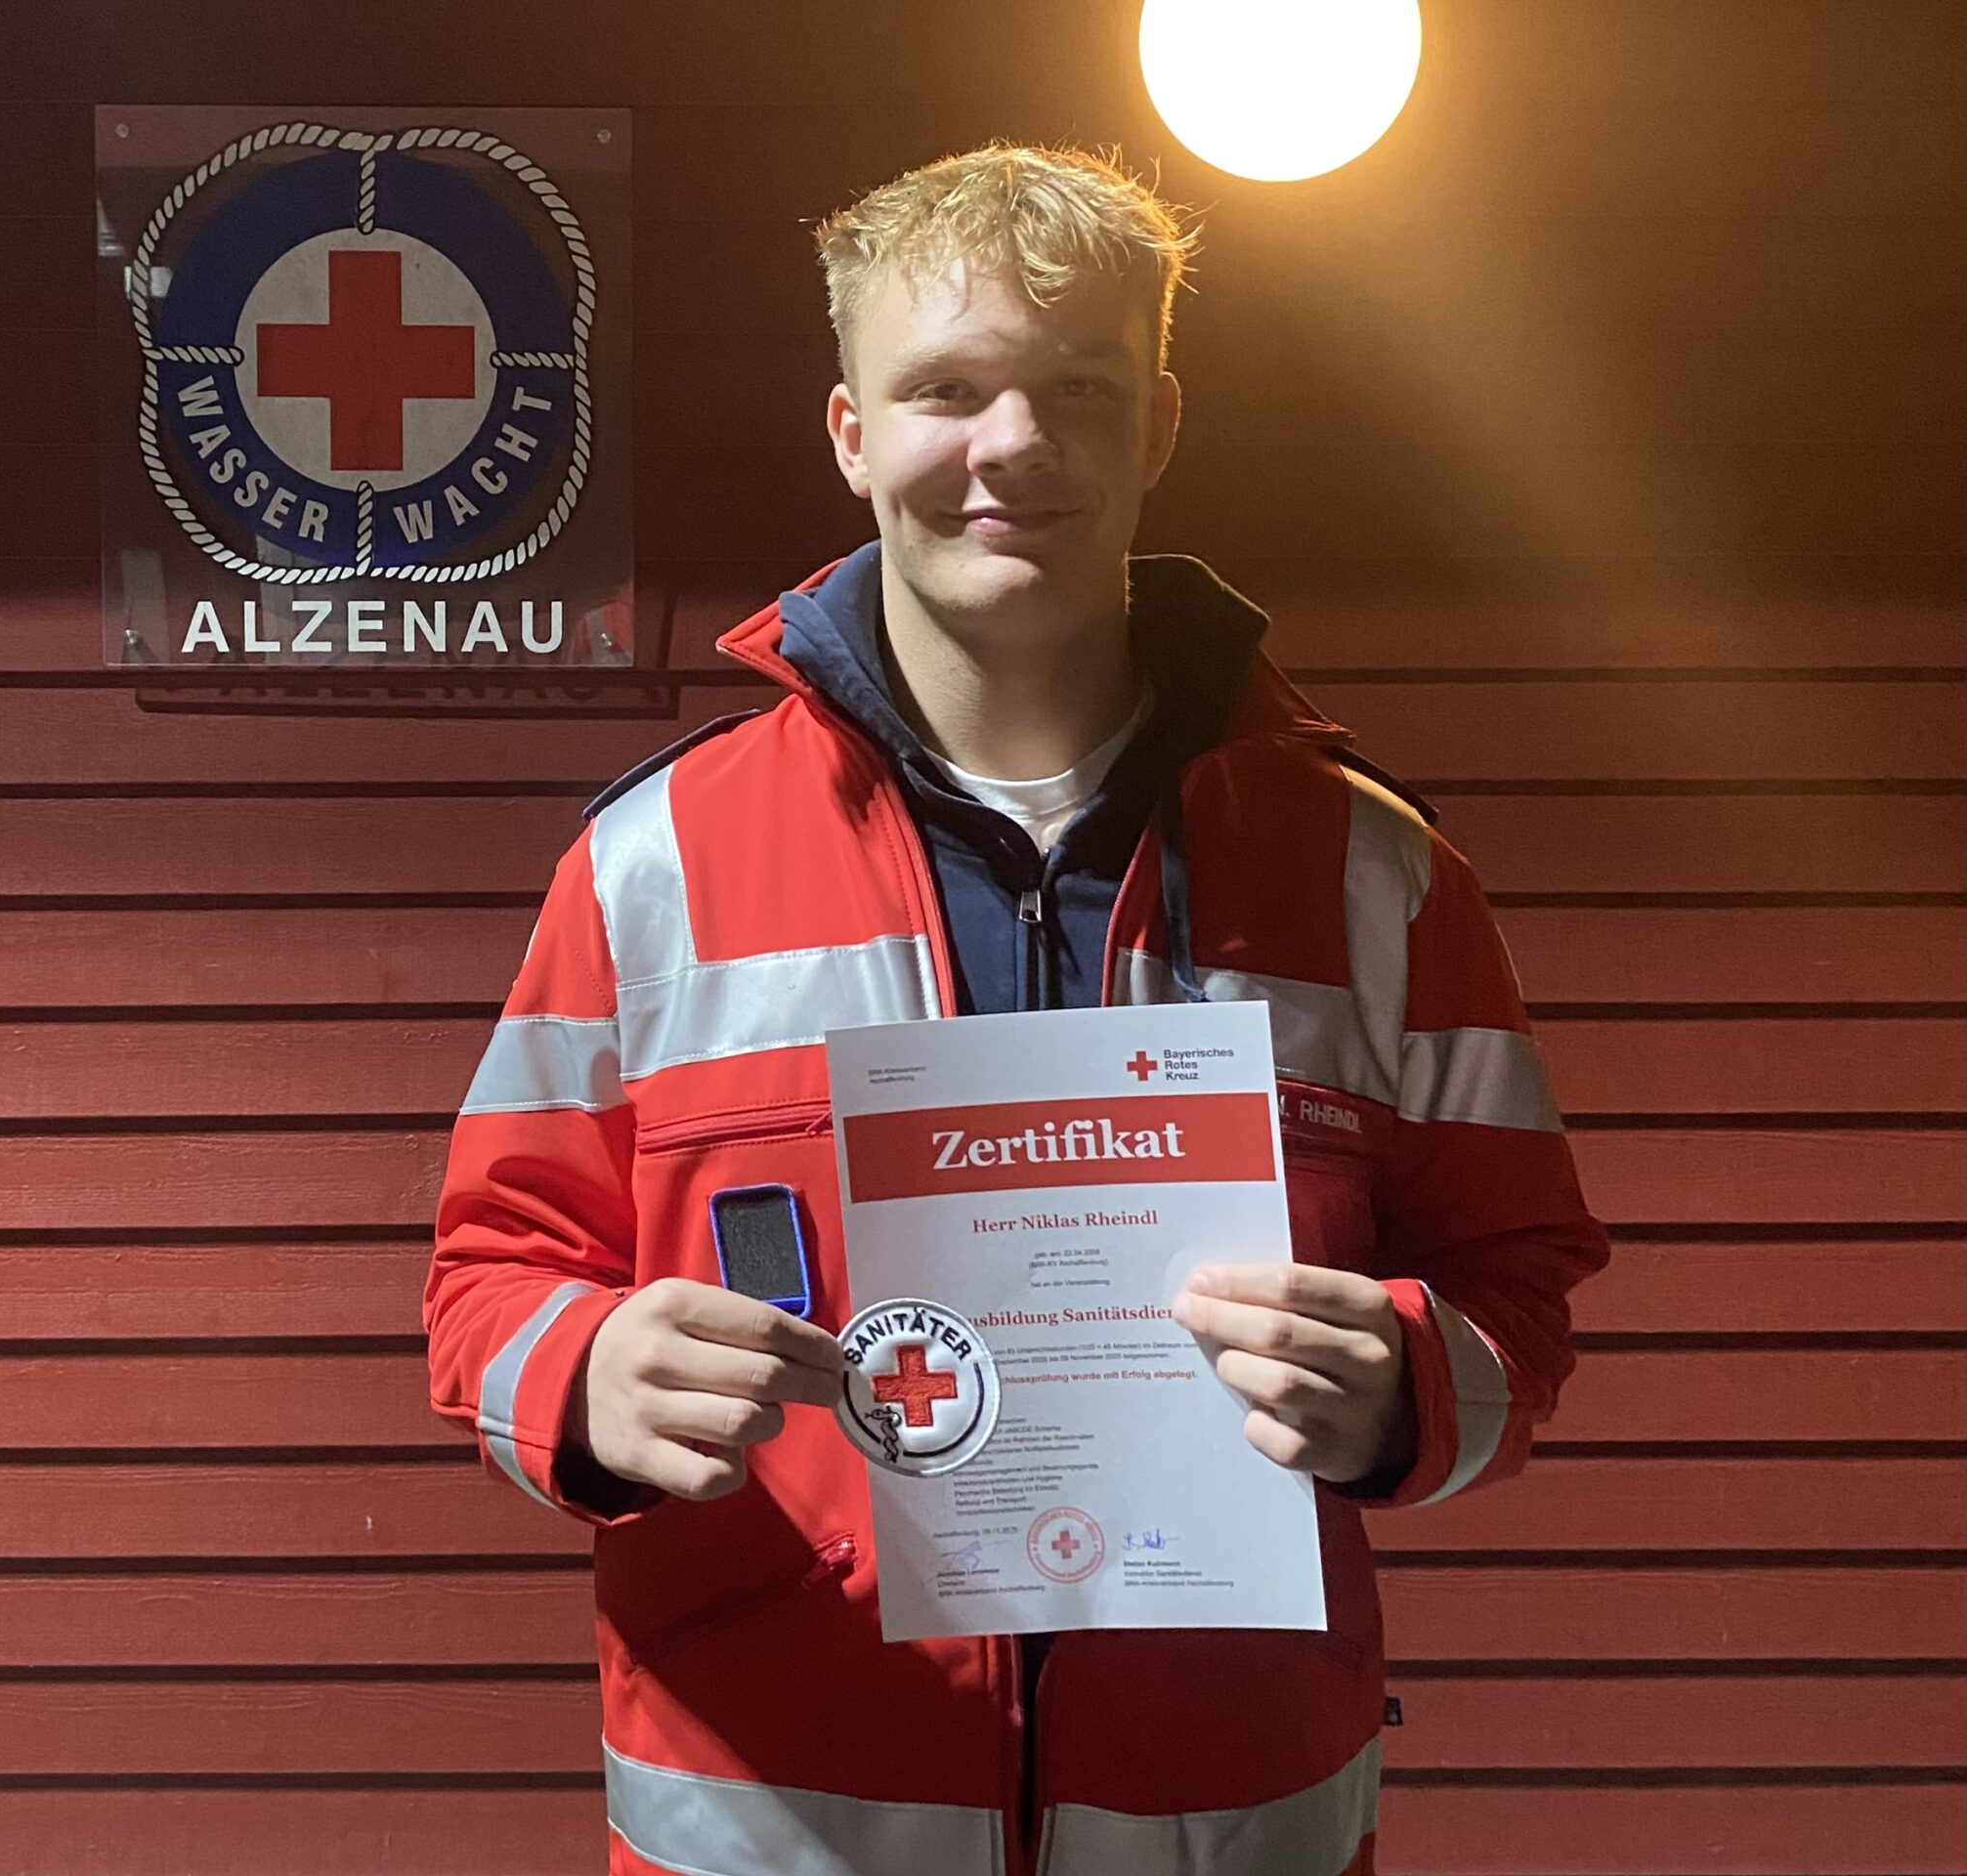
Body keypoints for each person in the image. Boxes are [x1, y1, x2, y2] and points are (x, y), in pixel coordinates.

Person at [425, 143, 1608, 1876]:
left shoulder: (1377, 874)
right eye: (946, 389)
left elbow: (1522, 1284)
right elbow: (489, 1271)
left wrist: (1408, 1386)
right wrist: (588, 1376)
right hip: (779, 1834)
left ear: (1159, 425)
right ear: (852, 432)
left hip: (1225, 1834)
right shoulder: (649, 867)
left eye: (1079, 388)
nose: (1014, 444)